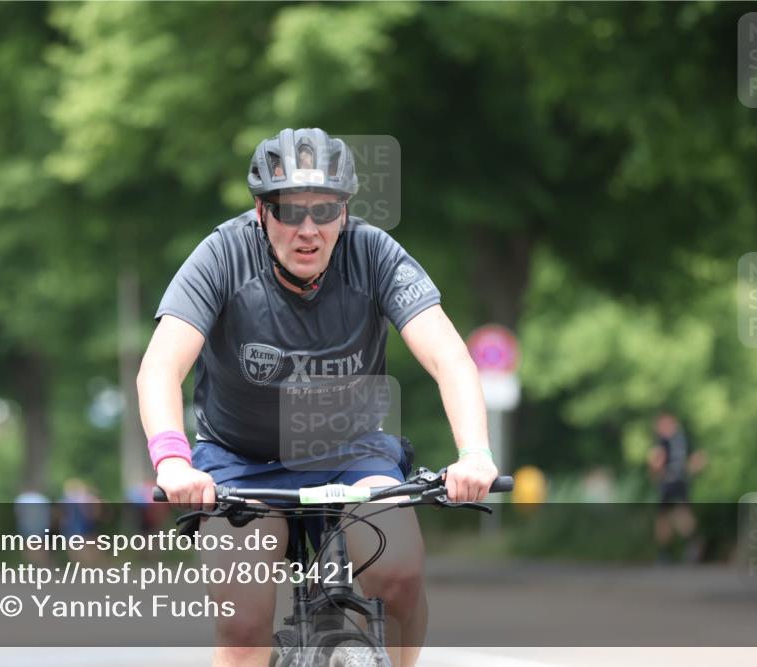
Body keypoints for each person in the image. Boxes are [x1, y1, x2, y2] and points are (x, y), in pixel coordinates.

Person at [137, 128, 498, 667]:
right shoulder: (222, 255)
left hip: (352, 453)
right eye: (289, 211)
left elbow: (451, 358)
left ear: (344, 212)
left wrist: (475, 453)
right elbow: (160, 367)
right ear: (261, 212)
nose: (308, 230)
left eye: (325, 211)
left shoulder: (374, 253)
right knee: (242, 626)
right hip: (240, 462)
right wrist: (171, 460)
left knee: (399, 572)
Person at [647, 411, 706, 563]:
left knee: (669, 517)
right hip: (679, 482)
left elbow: (657, 462)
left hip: (671, 483)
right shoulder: (684, 439)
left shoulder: (663, 441)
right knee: (673, 515)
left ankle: (669, 551)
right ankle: (687, 544)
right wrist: (689, 472)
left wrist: (656, 472)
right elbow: (699, 459)